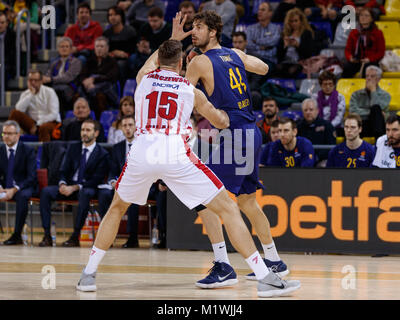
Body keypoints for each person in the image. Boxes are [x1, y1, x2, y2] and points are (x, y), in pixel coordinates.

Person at [76, 18, 300, 298]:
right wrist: (228, 112)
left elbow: (153, 61)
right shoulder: (189, 89)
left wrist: (171, 39)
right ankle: (264, 273)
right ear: (182, 63)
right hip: (189, 149)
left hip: (143, 151)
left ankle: (88, 274)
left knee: (117, 208)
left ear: (160, 60)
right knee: (232, 208)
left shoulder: (142, 79)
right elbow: (220, 121)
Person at [184, 10, 291, 288]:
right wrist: (239, 63)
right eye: (192, 27)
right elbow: (265, 69)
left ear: (213, 31)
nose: (193, 32)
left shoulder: (199, 61)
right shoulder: (235, 54)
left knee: (203, 195)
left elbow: (182, 96)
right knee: (246, 201)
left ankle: (222, 264)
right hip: (252, 133)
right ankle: (273, 260)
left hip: (234, 136)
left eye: (198, 27)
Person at [38, 119, 109, 247]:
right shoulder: (73, 148)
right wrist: (62, 184)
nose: (84, 133)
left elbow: (96, 179)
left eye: (88, 130)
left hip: (87, 188)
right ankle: (47, 235)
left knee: (85, 193)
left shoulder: (102, 154)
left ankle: (75, 236)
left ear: (96, 133)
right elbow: (63, 170)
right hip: (69, 187)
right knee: (46, 192)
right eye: (82, 130)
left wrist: (75, 187)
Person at [98, 115, 141, 248]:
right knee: (104, 195)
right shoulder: (117, 148)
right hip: (121, 186)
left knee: (132, 198)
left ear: (136, 127)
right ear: (121, 129)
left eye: (130, 125)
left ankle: (133, 238)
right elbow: (113, 170)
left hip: (140, 185)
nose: (128, 129)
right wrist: (112, 182)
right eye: (124, 126)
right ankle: (108, 237)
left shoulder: (144, 145)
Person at [0, 121, 36, 245]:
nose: (6, 136)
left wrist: (14, 189)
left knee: (22, 196)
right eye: (4, 133)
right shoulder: (0, 150)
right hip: (4, 188)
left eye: (10, 133)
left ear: (18, 135)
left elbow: (31, 176)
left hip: (23, 187)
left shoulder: (28, 150)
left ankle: (16, 235)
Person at [9, 70, 61, 142]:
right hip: (33, 124)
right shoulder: (26, 94)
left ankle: (43, 152)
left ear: (41, 81)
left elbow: (54, 114)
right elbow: (19, 109)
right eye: (30, 80)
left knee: (44, 128)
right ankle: (9, 144)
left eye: (35, 80)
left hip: (50, 122)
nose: (33, 83)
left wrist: (38, 124)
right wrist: (31, 95)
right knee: (14, 113)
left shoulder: (50, 92)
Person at [79, 36, 120, 120]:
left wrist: (94, 80)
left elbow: (111, 76)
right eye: (97, 46)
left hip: (107, 89)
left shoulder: (112, 61)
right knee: (79, 90)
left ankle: (99, 119)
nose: (99, 49)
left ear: (107, 48)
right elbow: (82, 75)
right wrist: (85, 81)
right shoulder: (90, 61)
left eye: (102, 46)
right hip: (90, 87)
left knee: (100, 95)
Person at [42, 37, 82, 117]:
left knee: (58, 90)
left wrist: (51, 79)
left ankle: (60, 116)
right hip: (56, 85)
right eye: (62, 47)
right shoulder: (54, 62)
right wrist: (44, 79)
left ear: (71, 49)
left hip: (70, 87)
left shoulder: (76, 62)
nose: (64, 49)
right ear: (58, 49)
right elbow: (48, 74)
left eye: (66, 47)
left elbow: (68, 77)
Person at [349, 65, 390, 139]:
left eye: (372, 76)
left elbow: (378, 113)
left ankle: (380, 145)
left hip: (379, 128)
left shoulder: (385, 95)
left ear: (378, 79)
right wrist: (373, 113)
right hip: (361, 125)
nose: (368, 78)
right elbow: (353, 112)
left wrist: (373, 91)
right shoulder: (356, 94)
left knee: (376, 108)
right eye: (367, 76)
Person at [342, 7, 385, 78]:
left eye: (366, 15)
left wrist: (369, 59)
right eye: (361, 15)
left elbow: (380, 53)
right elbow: (348, 50)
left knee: (368, 69)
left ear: (372, 19)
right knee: (347, 68)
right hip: (357, 60)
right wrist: (350, 58)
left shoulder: (378, 33)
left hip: (371, 61)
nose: (363, 17)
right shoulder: (354, 32)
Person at [275, 8, 318, 78]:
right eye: (291, 21)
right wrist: (285, 46)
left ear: (301, 21)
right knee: (277, 69)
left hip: (300, 62)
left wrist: (297, 45)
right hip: (286, 61)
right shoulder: (285, 33)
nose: (293, 23)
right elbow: (279, 55)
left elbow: (308, 53)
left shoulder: (306, 33)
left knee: (291, 71)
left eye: (296, 21)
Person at [103, 5, 137, 86]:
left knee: (121, 64)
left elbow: (133, 48)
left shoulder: (130, 31)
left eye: (115, 14)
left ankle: (123, 90)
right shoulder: (106, 33)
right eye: (110, 15)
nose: (112, 17)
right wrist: (112, 53)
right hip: (111, 57)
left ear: (121, 16)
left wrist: (125, 54)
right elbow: (105, 49)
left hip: (127, 58)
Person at [297, 98, 336, 166]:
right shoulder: (298, 127)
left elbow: (331, 146)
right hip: (302, 158)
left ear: (317, 110)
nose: (308, 112)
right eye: (305, 110)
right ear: (302, 112)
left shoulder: (327, 125)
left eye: (311, 110)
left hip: (321, 159)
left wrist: (316, 156)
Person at [245, 2, 281, 72]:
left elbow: (273, 42)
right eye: (259, 10)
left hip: (268, 60)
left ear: (270, 13)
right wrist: (261, 47)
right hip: (253, 58)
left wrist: (256, 41)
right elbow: (248, 44)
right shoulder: (250, 28)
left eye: (263, 10)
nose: (259, 12)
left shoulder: (276, 28)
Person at [315, 70, 346, 136]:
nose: (328, 87)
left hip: (336, 127)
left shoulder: (340, 97)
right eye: (325, 84)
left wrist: (327, 127)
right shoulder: (315, 97)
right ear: (321, 85)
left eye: (330, 84)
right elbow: (314, 116)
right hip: (319, 126)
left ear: (334, 85)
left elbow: (339, 117)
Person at [0, 11, 16, 83]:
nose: (0, 25)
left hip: (7, 65)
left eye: (2, 23)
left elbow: (12, 55)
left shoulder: (12, 35)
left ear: (7, 23)